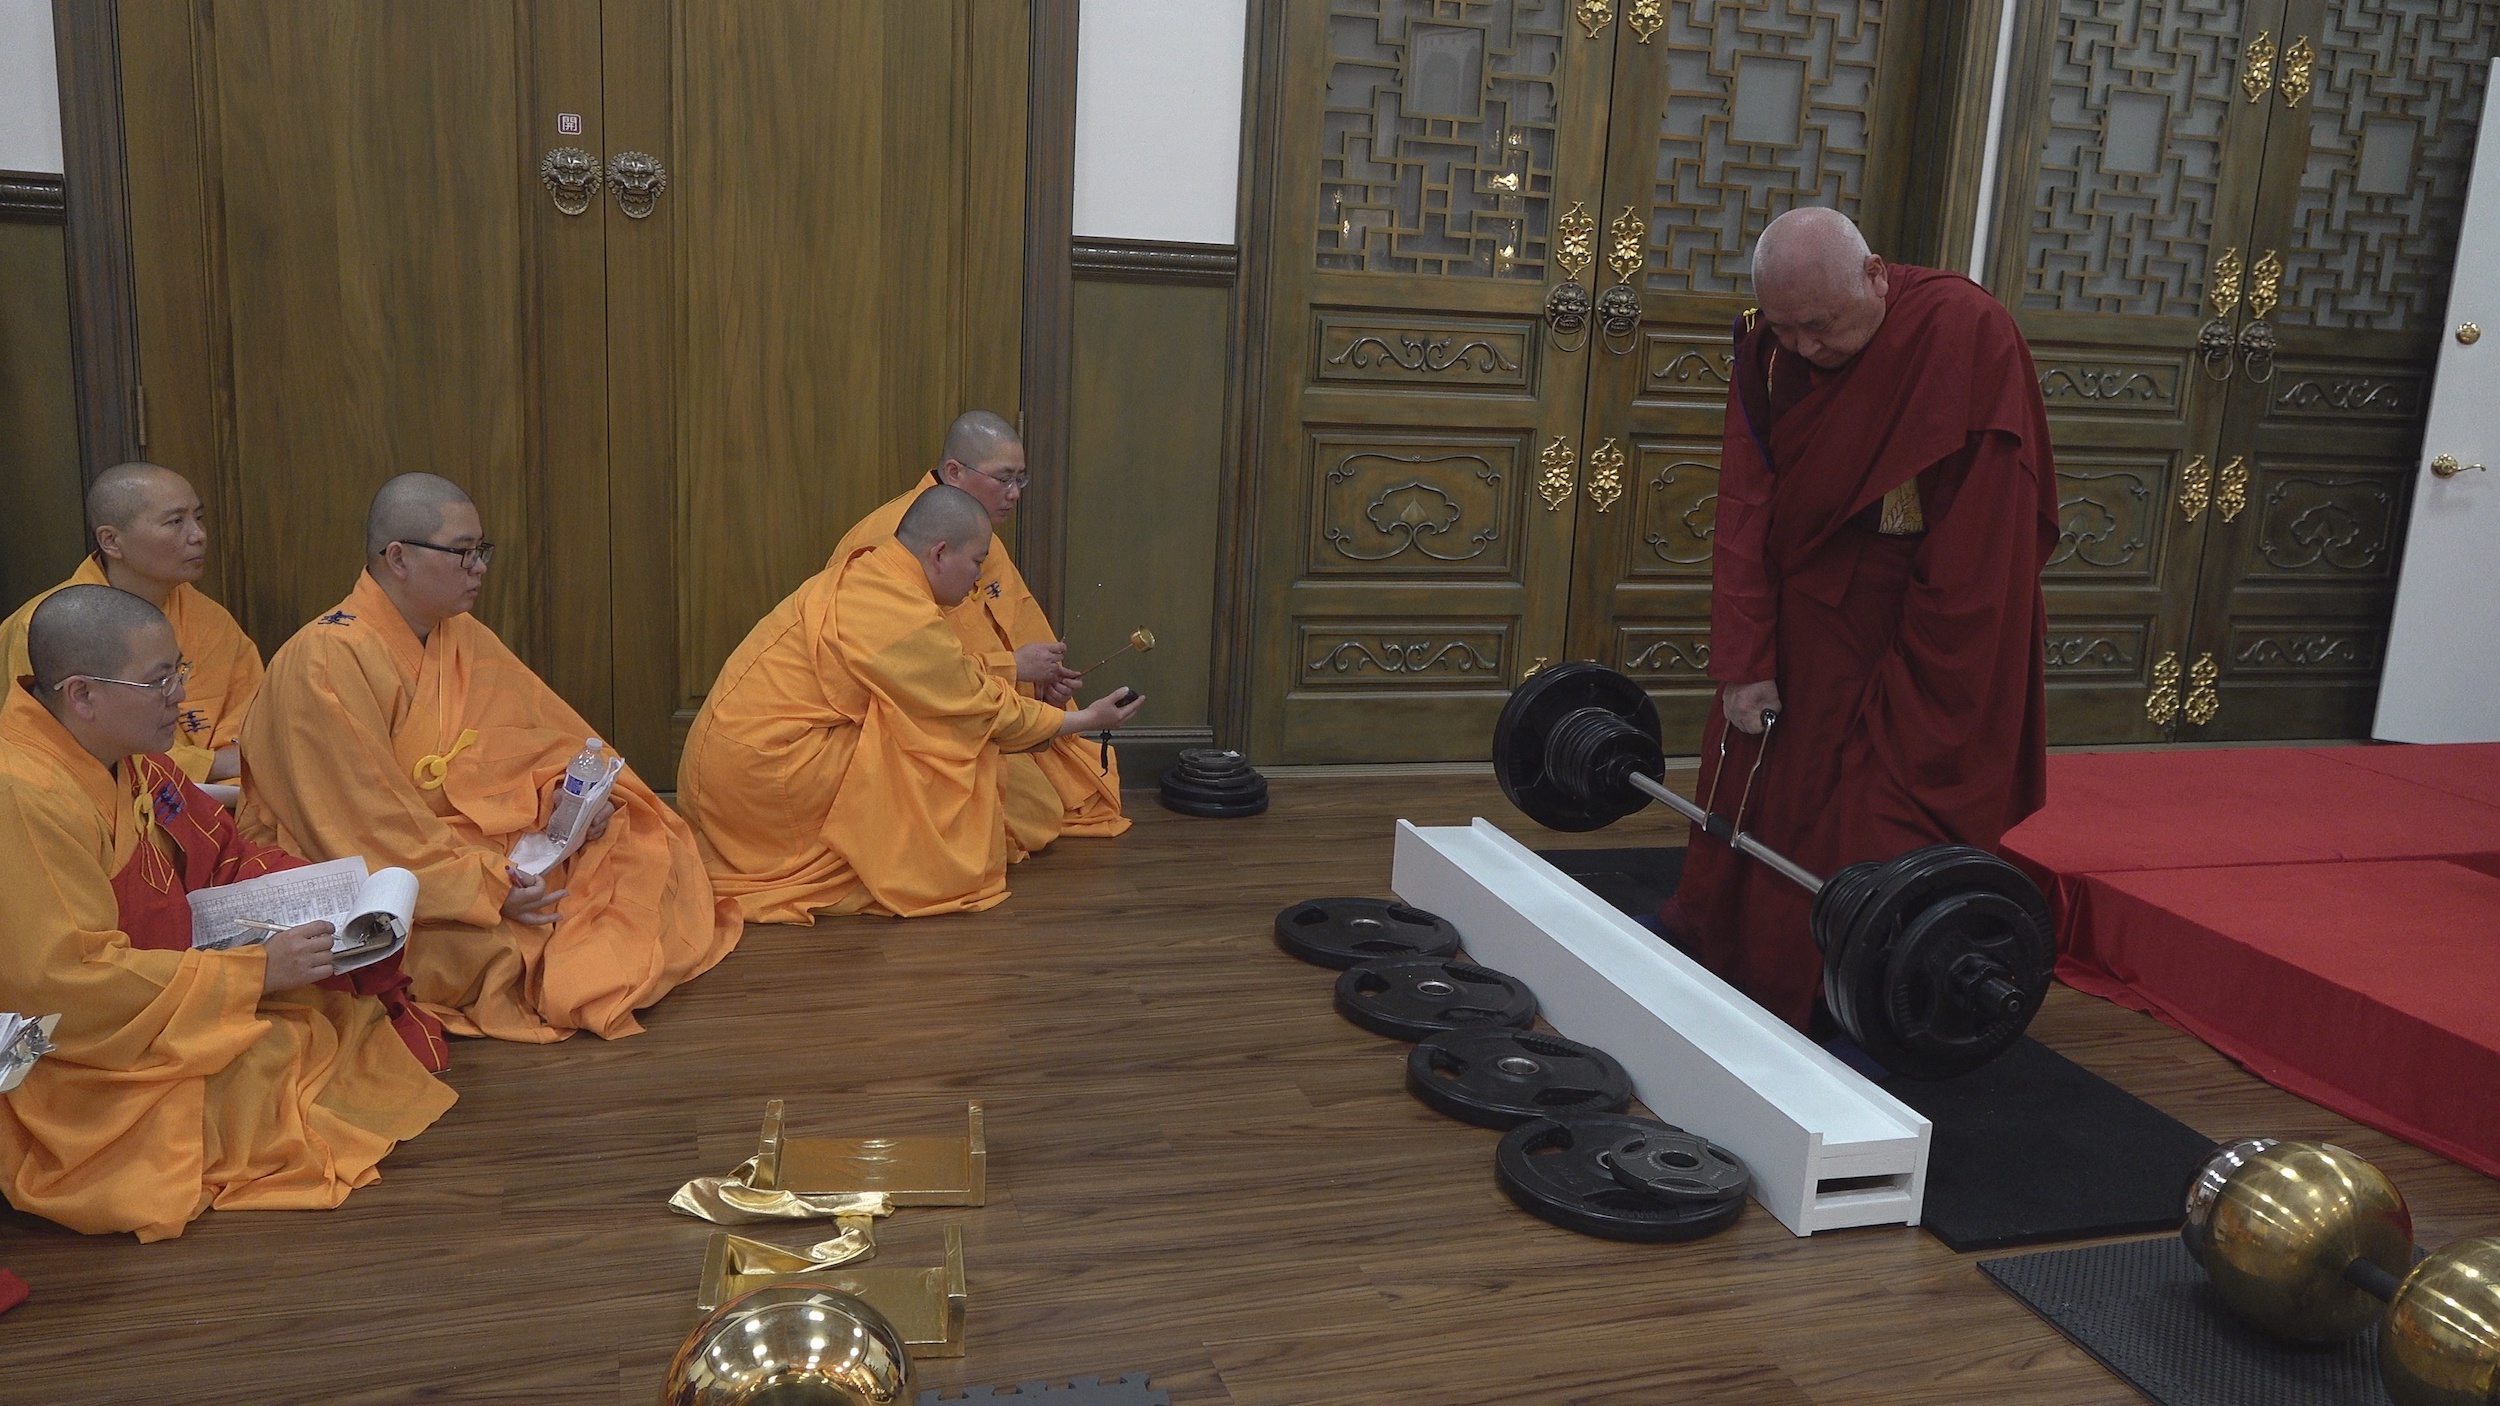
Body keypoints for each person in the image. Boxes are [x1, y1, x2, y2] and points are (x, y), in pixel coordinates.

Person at [1662, 206, 2058, 1035]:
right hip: (1805, 617)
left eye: (1821, 328)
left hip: (1924, 621)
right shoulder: (1767, 350)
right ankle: (1753, 972)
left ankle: (1874, 998)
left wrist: (1946, 682)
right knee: (1769, 792)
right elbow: (1745, 506)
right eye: (1787, 328)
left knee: (1888, 808)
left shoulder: (1965, 334)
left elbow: (1985, 537)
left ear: (1876, 275)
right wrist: (1743, 657)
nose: (1805, 349)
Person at [0, 585, 453, 1240]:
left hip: (169, 981)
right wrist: (249, 975)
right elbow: (63, 983)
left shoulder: (123, 752)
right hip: (79, 1048)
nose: (180, 698)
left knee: (324, 1020)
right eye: (159, 681)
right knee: (273, 1065)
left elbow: (220, 850)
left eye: (178, 672)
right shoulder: (26, 795)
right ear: (82, 695)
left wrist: (320, 898)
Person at [237, 474, 741, 1044]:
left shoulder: (461, 636)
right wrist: (490, 889)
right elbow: (357, 825)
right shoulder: (323, 661)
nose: (479, 567)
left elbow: (539, 739)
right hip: (386, 875)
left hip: (477, 844)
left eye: (482, 551)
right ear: (397, 557)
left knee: (638, 841)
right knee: (507, 947)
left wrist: (568, 799)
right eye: (462, 553)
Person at [679, 484, 1146, 919]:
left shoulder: (878, 571)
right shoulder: (900, 611)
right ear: (939, 553)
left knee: (940, 735)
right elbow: (977, 706)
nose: (980, 578)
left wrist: (1011, 666)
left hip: (730, 762)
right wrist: (1086, 718)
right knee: (939, 747)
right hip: (765, 778)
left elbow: (939, 672)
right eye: (978, 563)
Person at [826, 411, 1132, 856]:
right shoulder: (885, 541)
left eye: (1021, 481)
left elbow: (1013, 623)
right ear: (954, 472)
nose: (1013, 495)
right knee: (1028, 816)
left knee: (1065, 791)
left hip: (979, 702)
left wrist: (1042, 680)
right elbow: (910, 673)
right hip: (909, 719)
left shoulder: (980, 532)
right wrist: (1015, 672)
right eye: (1004, 479)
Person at [0, 462, 261, 785]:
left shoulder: (209, 618)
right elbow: (57, 746)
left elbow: (251, 722)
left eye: (199, 517)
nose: (198, 535)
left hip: (224, 797)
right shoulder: (47, 628)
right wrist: (211, 765)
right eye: (176, 522)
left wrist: (241, 766)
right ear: (111, 541)